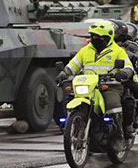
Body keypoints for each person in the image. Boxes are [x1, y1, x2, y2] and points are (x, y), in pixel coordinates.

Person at [56, 20, 134, 149]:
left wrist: (123, 73)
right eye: (93, 36)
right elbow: (73, 65)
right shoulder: (85, 50)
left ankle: (117, 138)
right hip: (89, 85)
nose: (95, 39)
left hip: (110, 85)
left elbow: (128, 67)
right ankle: (76, 127)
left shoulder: (117, 51)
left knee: (113, 105)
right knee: (71, 98)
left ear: (108, 37)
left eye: (99, 37)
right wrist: (64, 73)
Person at [109, 20, 138, 137]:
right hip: (105, 77)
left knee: (129, 98)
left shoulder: (131, 45)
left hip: (127, 77)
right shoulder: (104, 44)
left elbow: (133, 56)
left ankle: (128, 125)